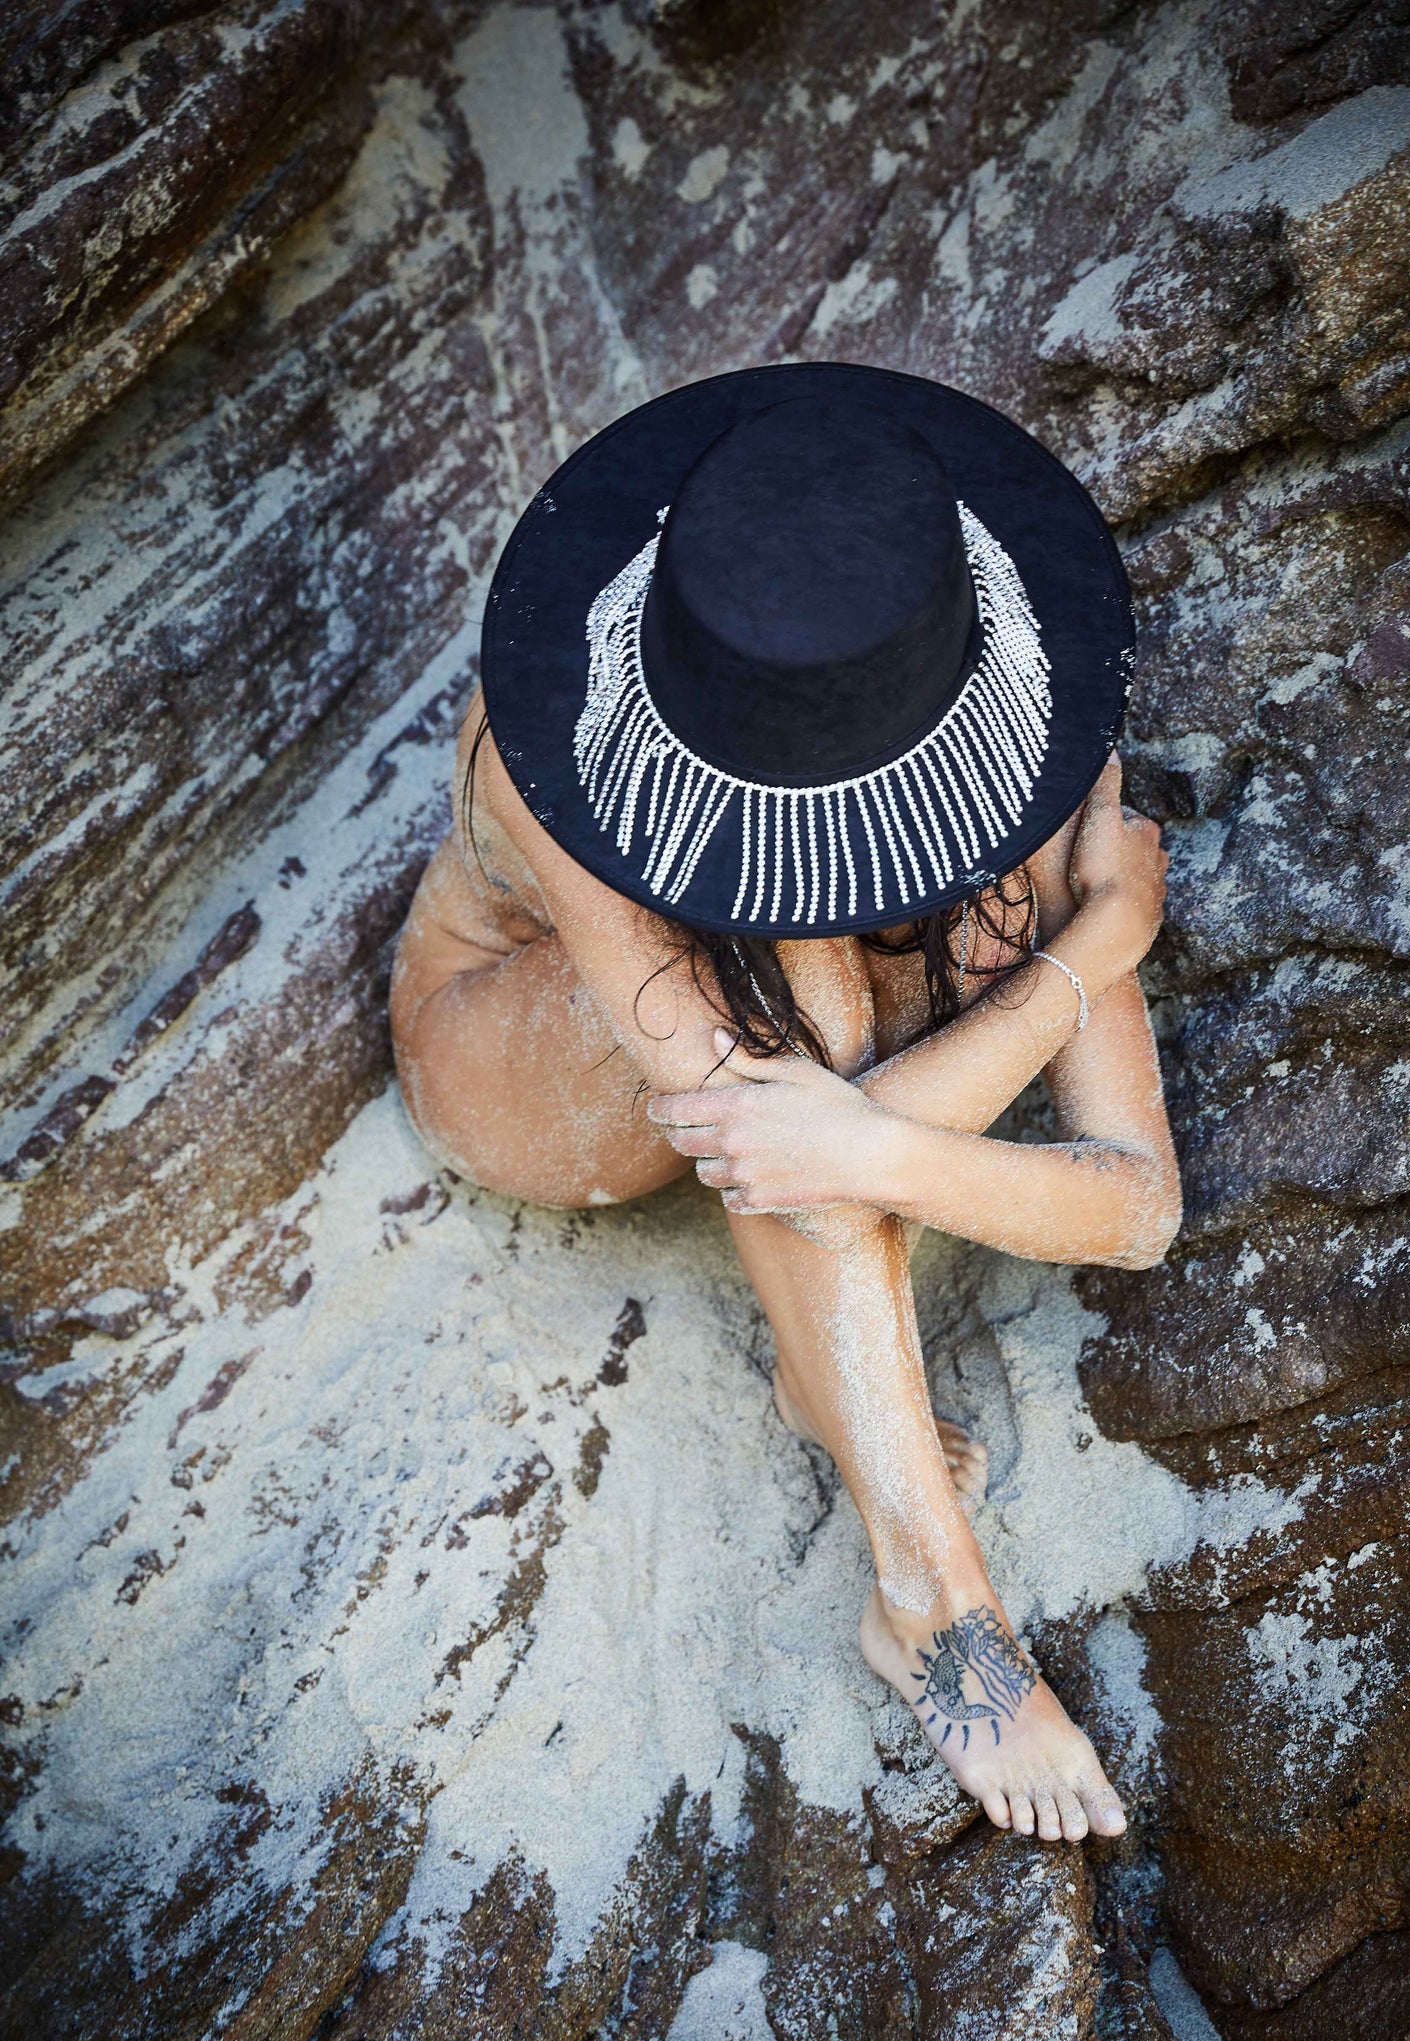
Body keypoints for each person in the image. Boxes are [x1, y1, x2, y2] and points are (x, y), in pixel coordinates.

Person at [391, 365, 1179, 1846]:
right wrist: (1087, 957)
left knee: (829, 1043)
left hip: (783, 1113)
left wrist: (881, 1133)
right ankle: (929, 1602)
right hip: (509, 1043)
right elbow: (772, 1142)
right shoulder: (575, 752)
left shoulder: (1021, 715)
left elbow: (1140, 1207)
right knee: (792, 1007)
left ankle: (826, 1383)